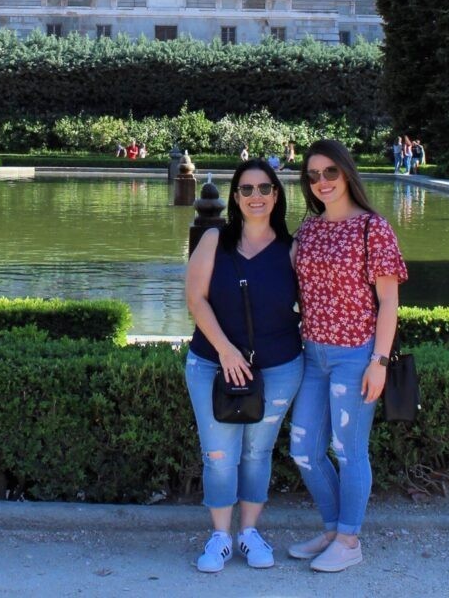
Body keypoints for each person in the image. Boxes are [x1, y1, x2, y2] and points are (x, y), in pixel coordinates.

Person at [288, 139, 407, 573]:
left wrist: (379, 361)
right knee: (304, 449)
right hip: (312, 354)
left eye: (330, 173)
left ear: (346, 172)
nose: (322, 182)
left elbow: (389, 303)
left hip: (355, 355)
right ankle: (333, 527)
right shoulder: (309, 230)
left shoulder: (372, 228)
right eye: (313, 176)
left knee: (348, 449)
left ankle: (349, 539)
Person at [185, 159, 303, 574]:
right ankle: (220, 535)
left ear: (277, 195)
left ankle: (249, 532)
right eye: (247, 189)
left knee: (257, 452)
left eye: (265, 188)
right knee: (219, 454)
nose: (257, 196)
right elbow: (195, 299)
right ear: (235, 197)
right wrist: (227, 351)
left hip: (279, 368)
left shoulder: (292, 249)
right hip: (213, 365)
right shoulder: (214, 240)